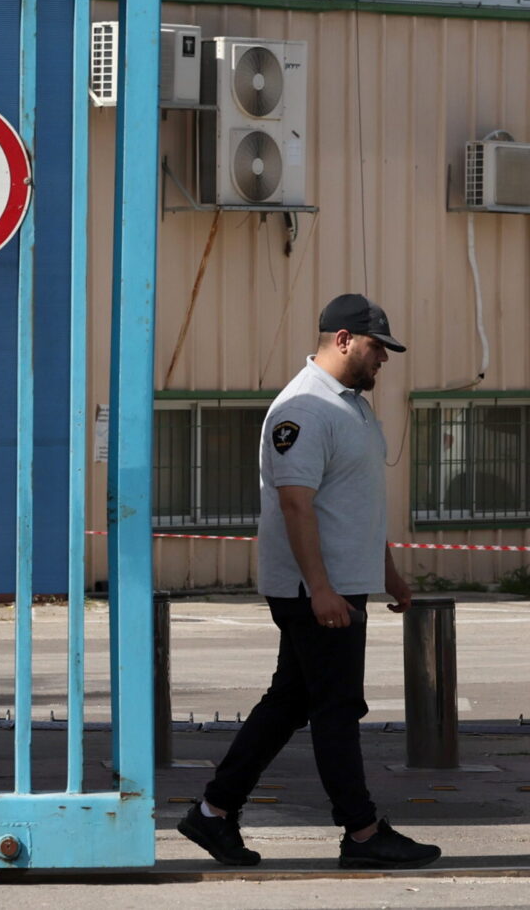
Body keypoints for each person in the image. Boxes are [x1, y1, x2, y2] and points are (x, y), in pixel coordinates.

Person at [177, 293, 442, 870]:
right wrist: (320, 589)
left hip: (342, 582)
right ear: (343, 339)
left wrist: (388, 573)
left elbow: (354, 504)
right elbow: (297, 506)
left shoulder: (352, 407)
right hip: (315, 591)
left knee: (289, 703)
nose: (384, 359)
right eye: (377, 347)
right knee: (337, 708)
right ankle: (364, 832)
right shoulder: (302, 408)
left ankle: (214, 813)